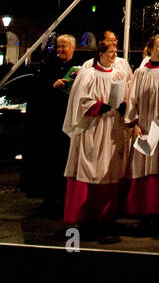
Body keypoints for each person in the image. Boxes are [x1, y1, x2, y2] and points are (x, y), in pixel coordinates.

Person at [62, 38, 131, 228]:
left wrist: (123, 106)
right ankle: (84, 215)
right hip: (92, 127)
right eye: (111, 53)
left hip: (111, 127)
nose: (114, 56)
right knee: (89, 166)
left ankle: (105, 215)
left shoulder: (118, 75)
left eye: (115, 52)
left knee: (109, 168)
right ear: (100, 54)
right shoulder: (89, 75)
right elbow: (80, 101)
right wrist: (99, 106)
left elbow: (126, 97)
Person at [20, 33, 82, 213]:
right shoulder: (49, 66)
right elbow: (39, 91)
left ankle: (65, 201)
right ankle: (49, 200)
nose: (61, 50)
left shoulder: (80, 68)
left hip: (69, 123)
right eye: (59, 46)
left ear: (73, 48)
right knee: (49, 163)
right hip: (50, 122)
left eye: (64, 46)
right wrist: (51, 88)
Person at [123, 35, 159, 219]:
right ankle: (142, 211)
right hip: (145, 125)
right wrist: (135, 124)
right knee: (143, 165)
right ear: (150, 49)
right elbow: (133, 99)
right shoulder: (140, 73)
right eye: (158, 47)